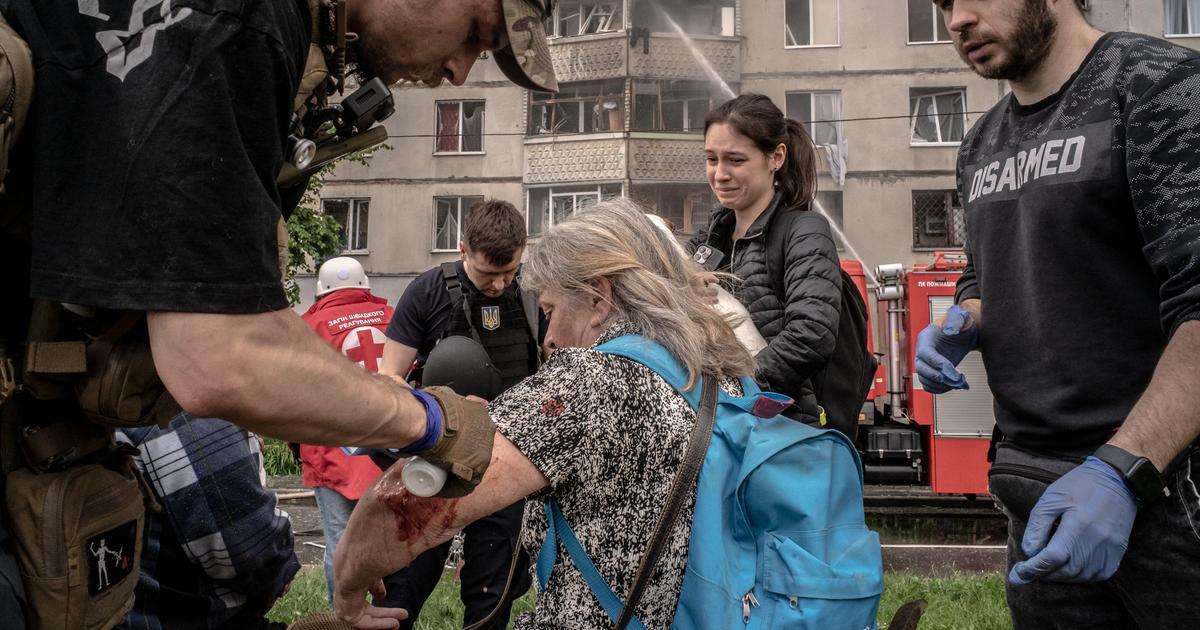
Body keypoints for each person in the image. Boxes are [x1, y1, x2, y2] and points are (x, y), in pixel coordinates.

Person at [0, 1, 557, 626]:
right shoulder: (241, 23)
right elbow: (219, 356)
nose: (461, 71)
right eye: (477, 35)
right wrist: (433, 422)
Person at [332, 198, 759, 629]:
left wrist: (349, 580)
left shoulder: (590, 381)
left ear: (598, 298)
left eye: (552, 310)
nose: (549, 337)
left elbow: (411, 507)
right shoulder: (723, 371)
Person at [917, 0, 1200, 626]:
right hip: (1036, 490)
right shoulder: (979, 143)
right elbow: (984, 274)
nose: (956, 19)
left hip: (1169, 493)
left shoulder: (1162, 88)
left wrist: (1123, 471)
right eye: (940, 3)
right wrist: (964, 319)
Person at [377, 199, 540, 630]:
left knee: (492, 595)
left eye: (510, 271)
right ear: (463, 248)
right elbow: (390, 376)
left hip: (505, 463)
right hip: (435, 459)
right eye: (489, 274)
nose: (499, 283)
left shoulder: (532, 293)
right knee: (404, 584)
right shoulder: (427, 291)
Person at [688, 94, 842, 427]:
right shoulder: (709, 239)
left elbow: (812, 333)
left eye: (735, 160)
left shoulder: (804, 231)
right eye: (712, 159)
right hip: (716, 426)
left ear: (776, 157)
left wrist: (740, 391)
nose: (720, 174)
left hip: (779, 428)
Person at [116, 415, 299, 630]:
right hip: (186, 618)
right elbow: (249, 551)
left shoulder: (94, 403)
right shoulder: (183, 409)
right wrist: (282, 571)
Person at [299, 257, 395, 608]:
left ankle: (340, 618)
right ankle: (389, 613)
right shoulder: (394, 317)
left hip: (333, 454)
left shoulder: (308, 325)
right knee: (389, 544)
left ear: (321, 289)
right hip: (389, 450)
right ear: (364, 284)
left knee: (340, 546)